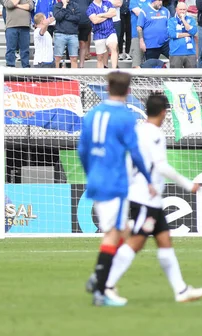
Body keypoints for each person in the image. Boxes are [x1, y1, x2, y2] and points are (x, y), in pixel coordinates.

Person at [101, 94, 202, 304]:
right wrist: (188, 185)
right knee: (136, 242)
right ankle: (105, 285)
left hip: (151, 199)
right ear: (165, 113)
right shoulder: (156, 134)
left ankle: (181, 290)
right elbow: (161, 166)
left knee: (165, 241)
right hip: (144, 198)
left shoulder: (138, 130)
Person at [77, 71, 155, 307]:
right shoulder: (125, 116)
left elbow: (82, 148)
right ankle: (102, 287)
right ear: (128, 91)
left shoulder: (92, 114)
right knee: (113, 234)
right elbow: (135, 151)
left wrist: (91, 171)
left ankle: (101, 279)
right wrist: (149, 178)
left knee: (121, 232)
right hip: (116, 181)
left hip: (96, 179)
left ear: (107, 88)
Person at [87, 0, 120, 68]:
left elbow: (113, 13)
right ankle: (100, 75)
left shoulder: (107, 3)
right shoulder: (90, 8)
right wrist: (107, 15)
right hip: (98, 33)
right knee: (100, 57)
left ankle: (114, 70)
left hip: (110, 31)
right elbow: (95, 21)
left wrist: (101, 15)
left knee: (113, 47)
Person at [3, 0, 34, 68]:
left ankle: (26, 67)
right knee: (11, 49)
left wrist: (16, 5)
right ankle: (10, 66)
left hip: (25, 26)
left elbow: (30, 6)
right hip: (11, 26)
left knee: (25, 50)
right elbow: (10, 5)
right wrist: (19, 4)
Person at [168, 1, 197, 68]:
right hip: (176, 53)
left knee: (192, 77)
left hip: (190, 53)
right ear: (176, 9)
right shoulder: (171, 21)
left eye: (184, 9)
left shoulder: (191, 19)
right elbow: (172, 34)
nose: (182, 11)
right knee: (175, 77)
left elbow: (193, 32)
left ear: (186, 10)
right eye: (180, 9)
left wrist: (183, 20)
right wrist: (188, 34)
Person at [53, 0, 80, 68]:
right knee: (57, 58)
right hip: (60, 34)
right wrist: (64, 6)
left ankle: (74, 77)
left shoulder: (75, 5)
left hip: (73, 34)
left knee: (74, 58)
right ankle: (57, 76)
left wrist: (66, 16)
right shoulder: (57, 6)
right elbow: (58, 17)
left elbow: (78, 18)